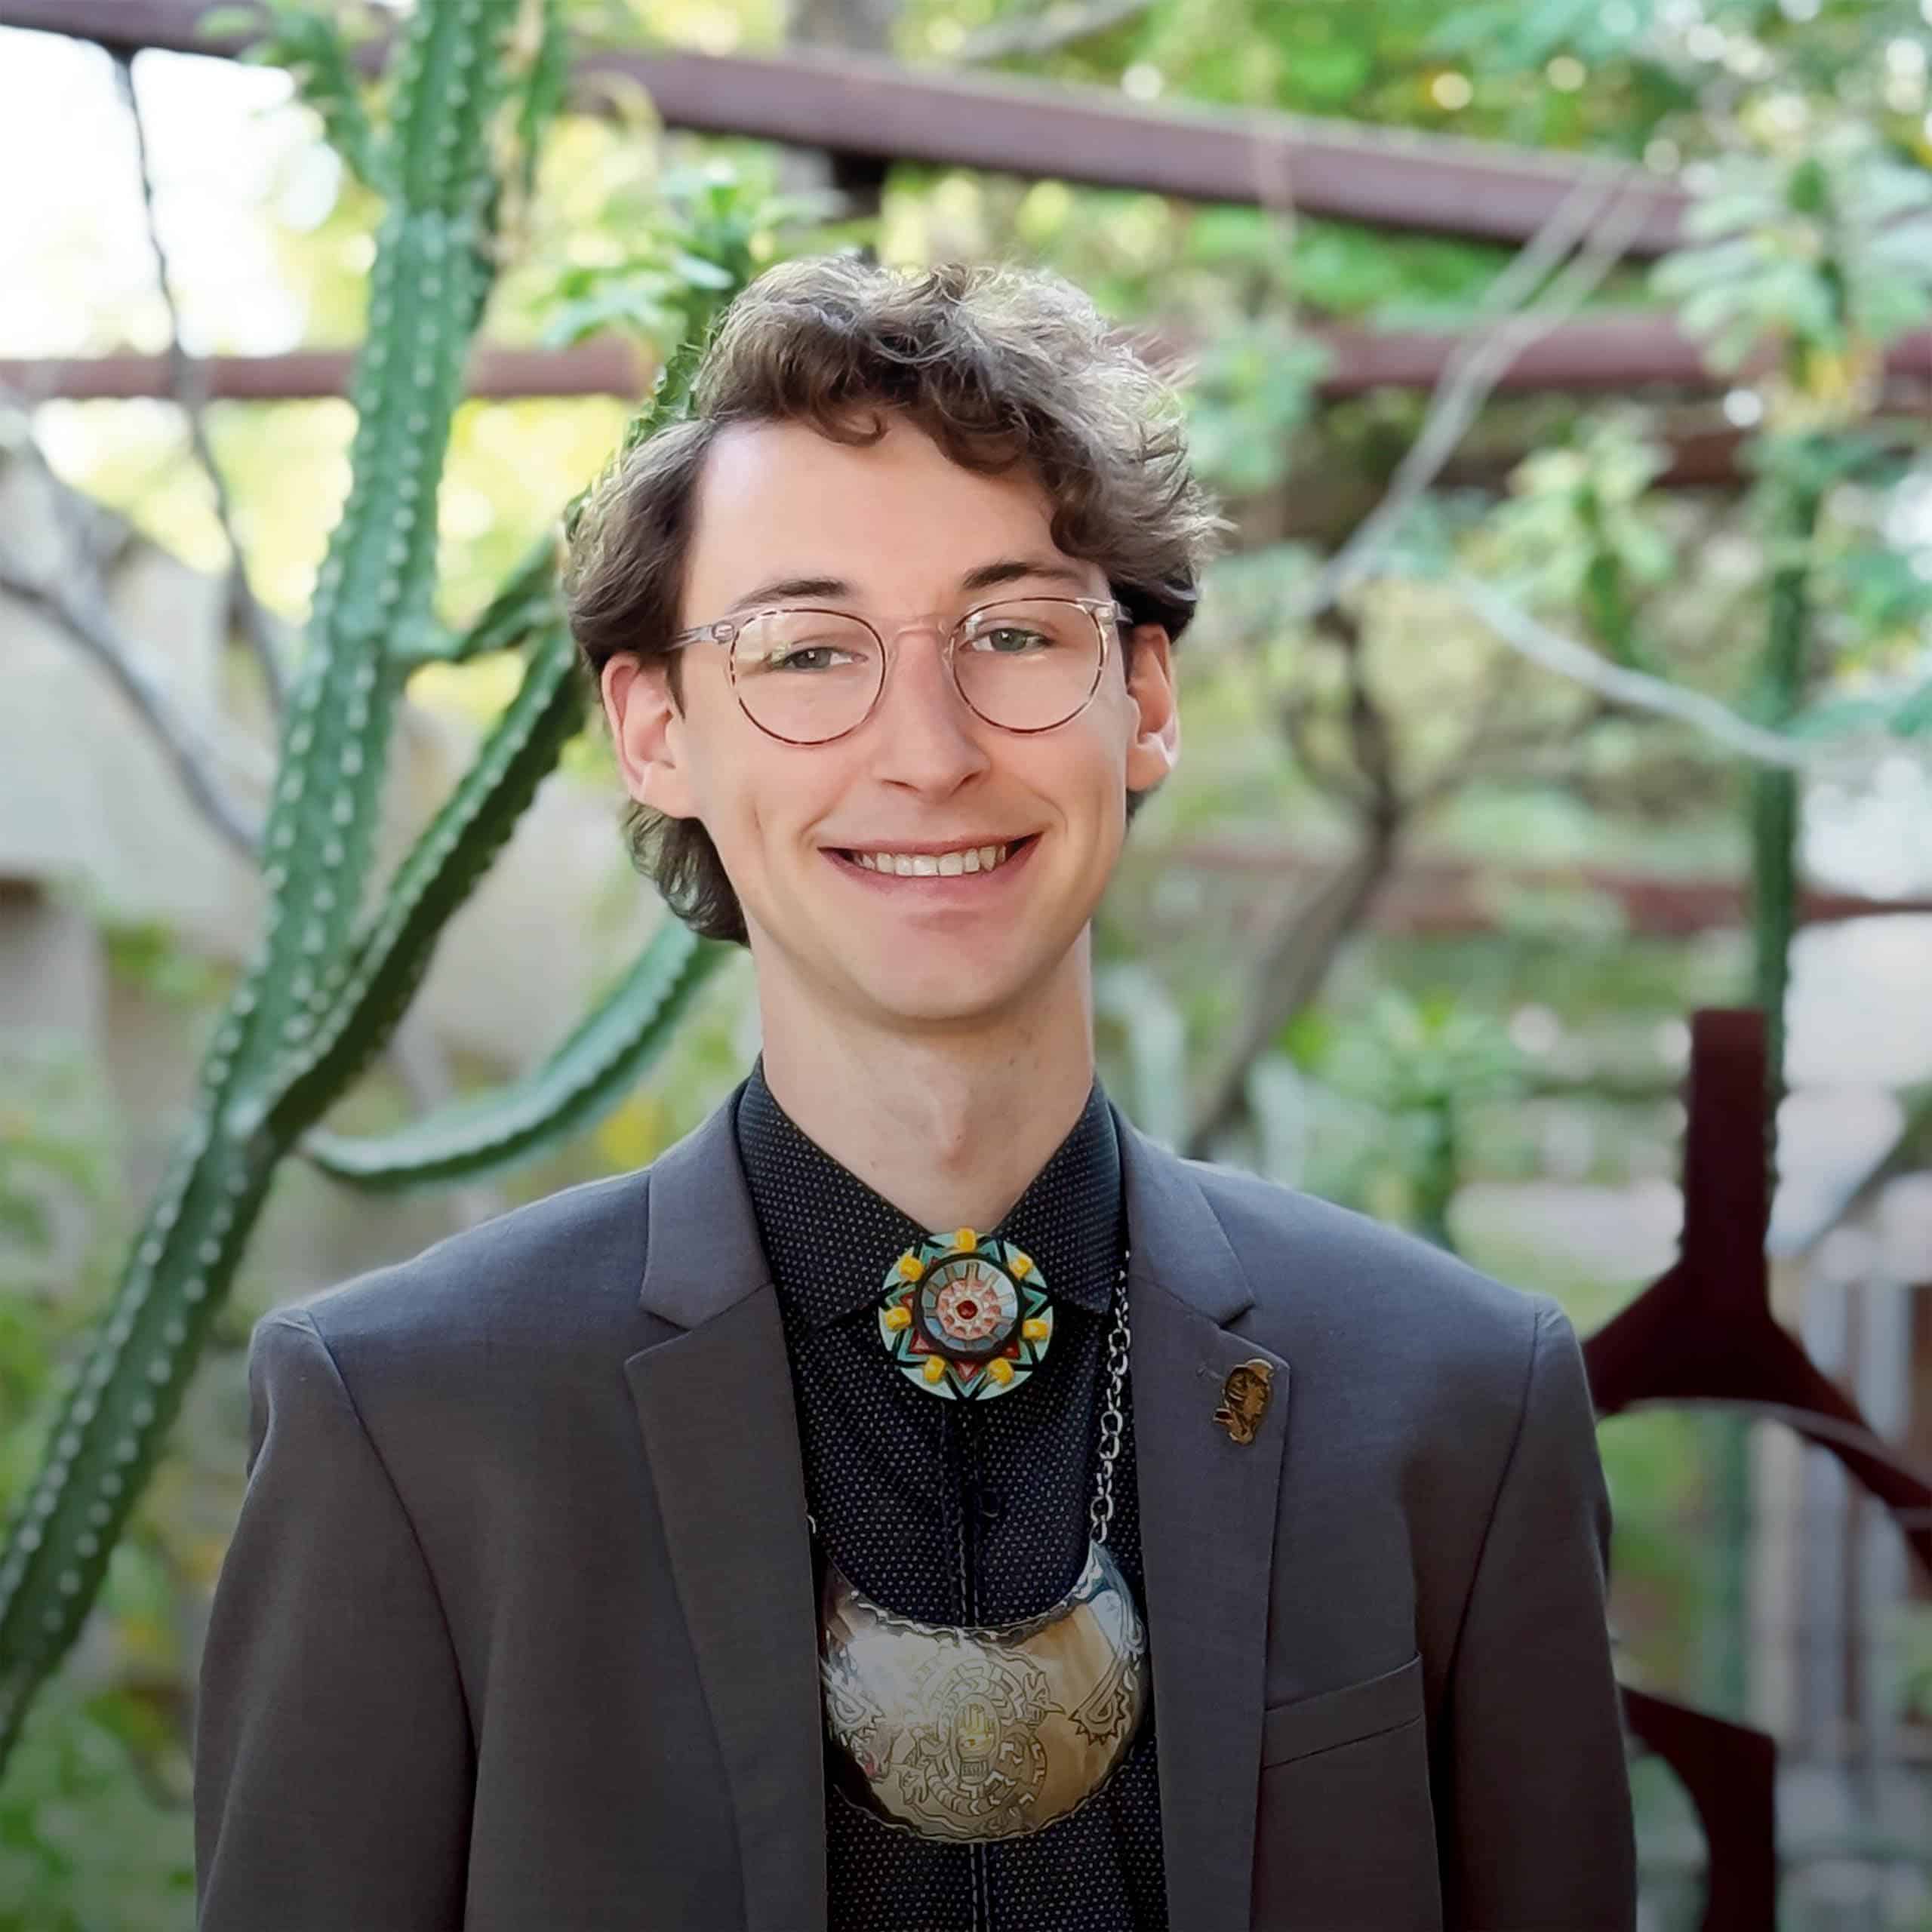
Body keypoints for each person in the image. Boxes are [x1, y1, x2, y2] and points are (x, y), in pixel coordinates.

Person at [193, 256, 1637, 1932]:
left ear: (1142, 700)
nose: (929, 748)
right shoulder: (412, 1423)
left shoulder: (1457, 1401)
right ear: (655, 727)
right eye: (807, 653)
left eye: (1013, 631)